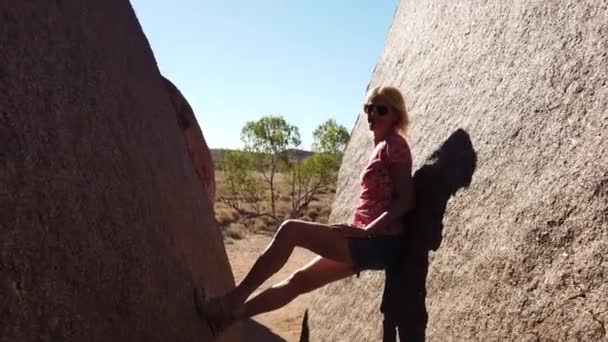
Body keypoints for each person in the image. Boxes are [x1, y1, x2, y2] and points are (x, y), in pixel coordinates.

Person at [197, 85, 415, 336]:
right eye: (369, 109)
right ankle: (228, 319)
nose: (372, 115)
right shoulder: (382, 145)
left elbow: (406, 201)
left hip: (378, 242)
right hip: (372, 243)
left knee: (291, 231)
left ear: (396, 115)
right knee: (298, 281)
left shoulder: (394, 145)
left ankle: (231, 301)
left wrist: (366, 230)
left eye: (381, 110)